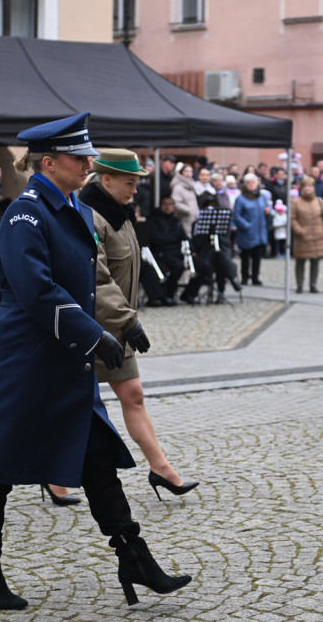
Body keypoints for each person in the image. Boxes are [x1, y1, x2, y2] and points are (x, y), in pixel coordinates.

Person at [0, 113, 192, 611]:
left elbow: (91, 277)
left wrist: (119, 324)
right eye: (80, 157)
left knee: (95, 459)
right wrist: (95, 337)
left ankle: (133, 556)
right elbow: (36, 288)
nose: (90, 163)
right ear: (49, 163)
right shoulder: (25, 213)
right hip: (28, 360)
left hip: (67, 359)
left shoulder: (71, 207)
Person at [79, 149, 200, 497]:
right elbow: (98, 279)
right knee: (72, 401)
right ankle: (55, 477)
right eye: (129, 183)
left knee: (133, 394)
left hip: (118, 324)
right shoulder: (88, 217)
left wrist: (128, 320)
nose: (135, 191)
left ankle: (161, 469)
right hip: (90, 328)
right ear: (106, 179)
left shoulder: (120, 214)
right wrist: (127, 320)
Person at [138, 196, 188, 306]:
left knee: (202, 265)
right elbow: (157, 239)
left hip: (176, 252)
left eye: (170, 204)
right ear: (160, 205)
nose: (167, 206)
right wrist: (175, 240)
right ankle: (164, 295)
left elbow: (183, 237)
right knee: (174, 266)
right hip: (161, 253)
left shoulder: (176, 221)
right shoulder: (153, 220)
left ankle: (183, 295)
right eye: (165, 204)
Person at [291, 177, 323, 293]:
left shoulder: (319, 201)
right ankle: (300, 284)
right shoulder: (296, 202)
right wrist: (299, 230)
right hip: (302, 236)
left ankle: (313, 284)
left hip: (318, 236)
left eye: (310, 186)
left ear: (313, 188)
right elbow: (293, 219)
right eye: (305, 186)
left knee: (315, 261)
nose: (307, 188)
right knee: (300, 261)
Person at [232, 173, 269, 285]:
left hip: (259, 231)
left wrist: (267, 212)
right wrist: (246, 225)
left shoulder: (262, 197)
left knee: (257, 257)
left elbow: (266, 209)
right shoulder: (241, 198)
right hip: (247, 232)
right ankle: (244, 277)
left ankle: (255, 277)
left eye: (253, 182)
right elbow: (237, 215)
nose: (251, 185)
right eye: (249, 182)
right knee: (246, 256)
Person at [170, 162, 198, 237]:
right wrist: (189, 210)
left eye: (191, 171)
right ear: (181, 172)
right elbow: (176, 203)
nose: (189, 173)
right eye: (186, 171)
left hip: (193, 219)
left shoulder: (191, 185)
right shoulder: (178, 187)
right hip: (183, 219)